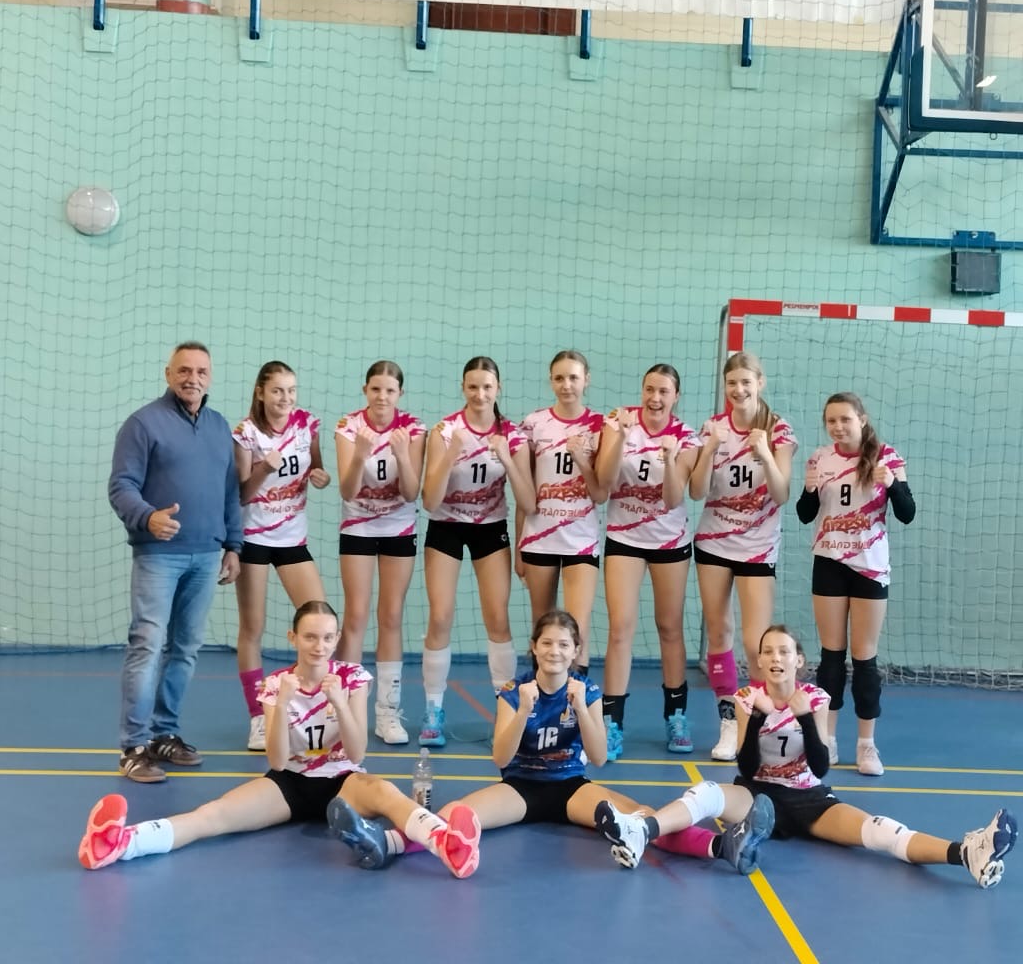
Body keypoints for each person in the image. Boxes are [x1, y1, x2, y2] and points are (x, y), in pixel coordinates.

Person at [327, 609, 771, 873]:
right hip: (520, 788)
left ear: (575, 651)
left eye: (563, 645)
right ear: (535, 648)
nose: (555, 651)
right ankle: (384, 844)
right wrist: (522, 710)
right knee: (454, 814)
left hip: (571, 787)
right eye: (547, 644)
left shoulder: (587, 690)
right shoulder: (514, 691)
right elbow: (500, 756)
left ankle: (720, 846)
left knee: (638, 817)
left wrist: (583, 709)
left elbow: (599, 757)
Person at [78, 600, 481, 877]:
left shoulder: (352, 678)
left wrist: (339, 703)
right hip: (290, 783)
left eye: (328, 637)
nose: (320, 646)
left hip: (344, 782)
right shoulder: (276, 685)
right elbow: (275, 760)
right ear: (293, 638)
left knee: (386, 792)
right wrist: (284, 702)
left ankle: (447, 844)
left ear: (337, 638)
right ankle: (121, 843)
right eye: (310, 637)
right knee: (214, 815)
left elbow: (358, 750)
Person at [595, 625, 1017, 889]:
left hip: (809, 800)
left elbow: (820, 766)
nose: (776, 658)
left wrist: (805, 720)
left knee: (879, 831)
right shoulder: (746, 698)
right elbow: (746, 767)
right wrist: (757, 719)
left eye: (784, 651)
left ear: (798, 660)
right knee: (707, 792)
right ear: (760, 660)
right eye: (768, 651)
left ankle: (966, 853)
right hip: (758, 797)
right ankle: (641, 830)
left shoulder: (815, 698)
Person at [107, 341, 243, 783]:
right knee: (147, 644)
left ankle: (165, 734)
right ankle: (134, 747)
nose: (192, 378)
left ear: (210, 377)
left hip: (206, 556)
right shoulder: (143, 423)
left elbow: (230, 491)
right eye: (184, 370)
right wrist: (148, 517)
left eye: (201, 371)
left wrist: (234, 545)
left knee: (185, 648)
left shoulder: (220, 427)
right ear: (168, 374)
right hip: (158, 555)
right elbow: (121, 486)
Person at [416, 355, 535, 748]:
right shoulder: (445, 431)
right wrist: (450, 455)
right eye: (472, 386)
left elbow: (528, 502)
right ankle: (433, 710)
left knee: (498, 618)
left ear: (498, 388)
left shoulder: (513, 436)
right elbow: (429, 501)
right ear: (463, 388)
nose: (480, 394)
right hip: (446, 527)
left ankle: (506, 708)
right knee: (440, 616)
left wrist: (508, 459)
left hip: (490, 529)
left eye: (487, 386)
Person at [796, 392, 914, 776]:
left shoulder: (886, 457)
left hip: (869, 568)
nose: (838, 427)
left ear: (861, 419)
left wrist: (893, 484)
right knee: (831, 657)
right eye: (831, 421)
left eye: (845, 419)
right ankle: (827, 739)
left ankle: (866, 744)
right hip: (830, 562)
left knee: (865, 659)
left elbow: (907, 513)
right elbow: (804, 514)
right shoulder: (820, 458)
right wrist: (810, 490)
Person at [688, 351, 796, 762]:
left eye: (746, 382)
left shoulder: (779, 430)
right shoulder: (713, 428)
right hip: (714, 542)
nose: (738, 389)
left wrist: (765, 453)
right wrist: (710, 449)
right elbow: (697, 492)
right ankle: (729, 721)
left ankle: (759, 721)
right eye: (732, 383)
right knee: (719, 633)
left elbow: (781, 494)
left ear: (759, 383)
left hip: (758, 546)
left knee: (756, 642)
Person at [594, 363, 702, 759]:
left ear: (676, 397)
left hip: (669, 540)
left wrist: (670, 460)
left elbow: (674, 498)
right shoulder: (616, 423)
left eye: (664, 391)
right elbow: (604, 484)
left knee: (669, 627)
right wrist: (620, 438)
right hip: (624, 537)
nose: (655, 398)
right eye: (649, 389)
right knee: (620, 628)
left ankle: (676, 716)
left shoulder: (687, 437)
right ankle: (612, 722)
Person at [232, 361, 332, 751]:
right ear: (260, 392)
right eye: (277, 391)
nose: (285, 398)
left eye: (291, 390)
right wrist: (262, 469)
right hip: (254, 538)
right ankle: (258, 717)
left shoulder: (307, 424)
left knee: (319, 616)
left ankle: (317, 708)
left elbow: (317, 469)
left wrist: (320, 476)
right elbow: (241, 494)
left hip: (292, 538)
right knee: (252, 627)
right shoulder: (246, 433)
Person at [334, 360, 427, 746]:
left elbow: (411, 492)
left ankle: (387, 713)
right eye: (376, 389)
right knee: (355, 615)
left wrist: (403, 455)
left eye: (390, 390)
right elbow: (347, 490)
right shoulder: (348, 427)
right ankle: (345, 710)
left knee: (390, 616)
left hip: (398, 529)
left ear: (400, 393)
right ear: (365, 391)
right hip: (358, 525)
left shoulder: (414, 429)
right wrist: (360, 454)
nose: (382, 397)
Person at [515, 350, 607, 675]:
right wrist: (518, 546)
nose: (566, 385)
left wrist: (582, 459)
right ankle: (542, 699)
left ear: (586, 380)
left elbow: (600, 493)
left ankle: (578, 700)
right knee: (543, 627)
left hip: (580, 540)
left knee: (576, 628)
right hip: (538, 538)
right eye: (559, 378)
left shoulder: (600, 426)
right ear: (551, 381)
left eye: (573, 378)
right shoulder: (534, 424)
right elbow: (524, 491)